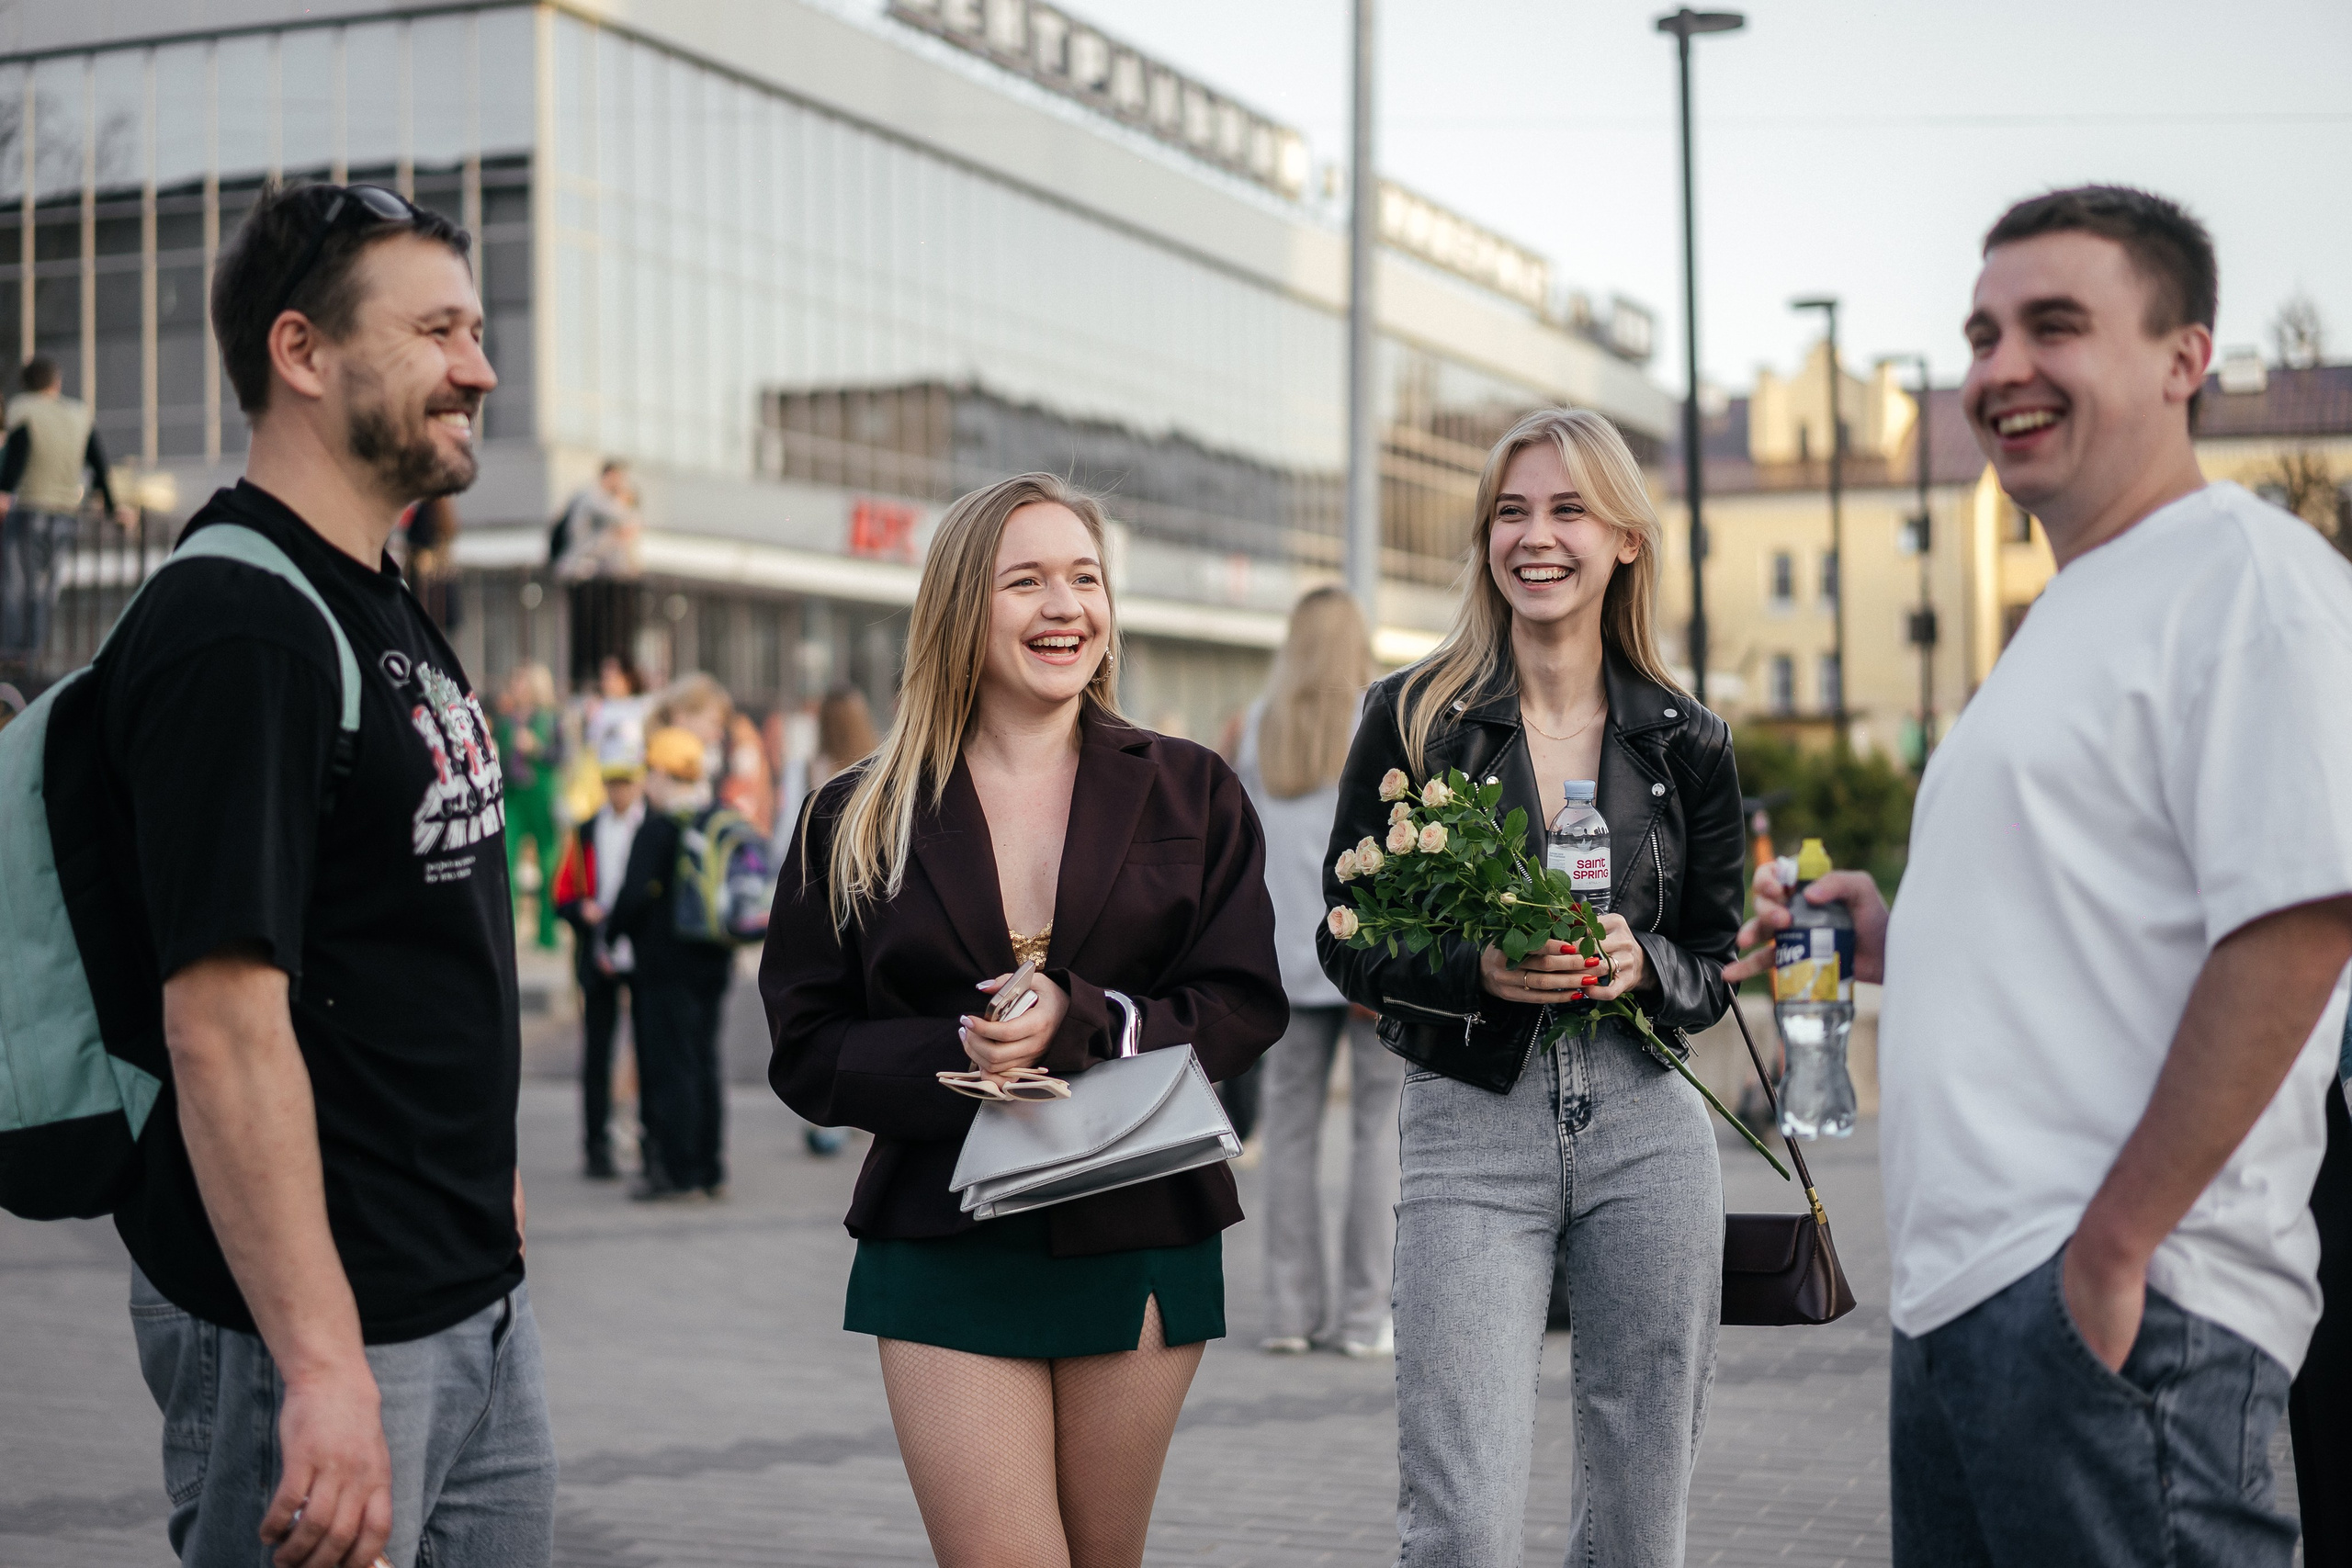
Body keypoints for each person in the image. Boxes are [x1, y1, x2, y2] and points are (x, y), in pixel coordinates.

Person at [1729, 186, 2352, 1567]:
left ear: (2184, 357)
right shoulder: (2069, 611)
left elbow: (2300, 925)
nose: (2001, 367)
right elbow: (2096, 930)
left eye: (2054, 325)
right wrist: (1895, 939)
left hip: (2125, 1309)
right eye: (1982, 334)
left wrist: (2114, 1254)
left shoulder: (2249, 581)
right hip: (1968, 1300)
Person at [89, 182, 553, 1566]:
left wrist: (488, 1182)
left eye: (477, 331)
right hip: (321, 1336)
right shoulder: (240, 622)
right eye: (436, 331)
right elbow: (222, 1025)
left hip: (466, 1297)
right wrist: (320, 1364)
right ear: (301, 350)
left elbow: (413, 929)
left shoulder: (373, 590)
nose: (478, 368)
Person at [762, 471, 1286, 1567]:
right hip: (943, 1237)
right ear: (963, 607)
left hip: (1140, 1227)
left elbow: (1242, 1005)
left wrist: (1087, 1019)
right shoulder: (854, 815)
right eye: (1027, 581)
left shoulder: (1192, 790)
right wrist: (957, 1052)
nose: (1065, 607)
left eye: (1085, 579)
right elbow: (806, 1049)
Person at [1317, 408, 1745, 1568]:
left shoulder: (1689, 743)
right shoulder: (1414, 718)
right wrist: (1479, 970)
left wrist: (1644, 962)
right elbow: (1344, 937)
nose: (1535, 537)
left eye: (1567, 511)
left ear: (1624, 540)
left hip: (1648, 1127)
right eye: (1511, 512)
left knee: (1639, 1527)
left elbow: (1713, 959)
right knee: (1459, 1524)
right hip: (1470, 1125)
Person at [1234, 585, 1402, 1359]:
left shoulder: (1260, 727)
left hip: (1287, 961)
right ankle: (1364, 1317)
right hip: (1369, 959)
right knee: (1377, 1133)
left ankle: (1289, 1313)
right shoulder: (1380, 717)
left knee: (1289, 1134)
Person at [611, 725, 738, 1201]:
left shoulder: (659, 827)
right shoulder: (712, 818)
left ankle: (678, 1172)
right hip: (713, 962)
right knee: (704, 1060)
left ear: (662, 774)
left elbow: (631, 896)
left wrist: (610, 935)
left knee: (671, 1066)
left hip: (664, 967)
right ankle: (711, 1168)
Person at [553, 740, 649, 1182]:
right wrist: (582, 910)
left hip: (640, 954)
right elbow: (562, 895)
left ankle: (650, 1142)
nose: (619, 790)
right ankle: (596, 1146)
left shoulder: (651, 826)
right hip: (597, 955)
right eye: (612, 782)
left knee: (649, 1051)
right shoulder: (587, 831)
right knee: (596, 1053)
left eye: (625, 782)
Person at [1, 355, 133, 669]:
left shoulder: (23, 408)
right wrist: (114, 507)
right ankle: (34, 653)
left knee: (17, 584)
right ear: (56, 382)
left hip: (30, 508)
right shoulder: (79, 414)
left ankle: (13, 654)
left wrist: (4, 492)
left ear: (26, 384)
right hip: (65, 514)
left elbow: (18, 453)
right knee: (46, 589)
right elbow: (98, 463)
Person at [555, 459, 642, 687]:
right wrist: (624, 501)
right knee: (586, 636)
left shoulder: (593, 500)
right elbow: (624, 517)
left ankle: (589, 676)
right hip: (581, 572)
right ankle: (583, 678)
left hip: (590, 574)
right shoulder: (593, 497)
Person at [498, 662, 564, 951]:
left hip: (542, 795)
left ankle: (547, 932)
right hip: (512, 797)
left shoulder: (551, 720)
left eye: (521, 682)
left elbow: (561, 757)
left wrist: (536, 747)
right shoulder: (506, 720)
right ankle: (508, 931)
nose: (516, 687)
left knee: (549, 863)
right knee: (507, 861)